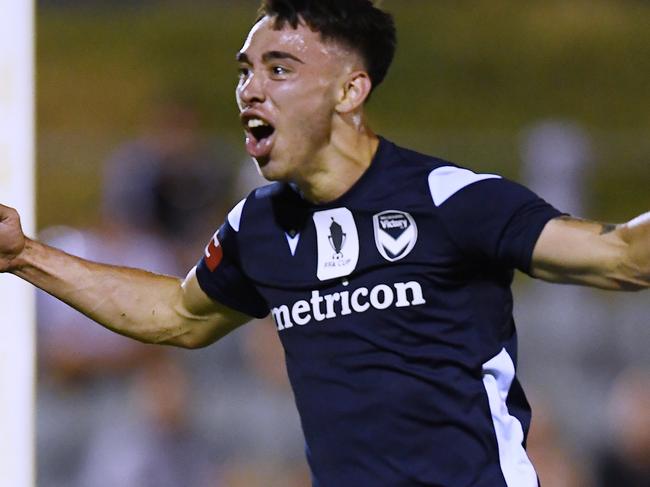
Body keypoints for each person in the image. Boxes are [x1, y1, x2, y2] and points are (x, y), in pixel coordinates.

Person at [1, 1, 649, 485]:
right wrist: (24, 253)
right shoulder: (259, 225)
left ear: (350, 89)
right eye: (246, 71)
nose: (250, 88)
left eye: (279, 68)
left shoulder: (448, 199)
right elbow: (175, 313)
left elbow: (620, 257)